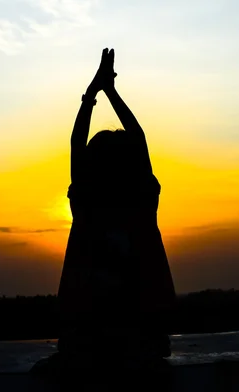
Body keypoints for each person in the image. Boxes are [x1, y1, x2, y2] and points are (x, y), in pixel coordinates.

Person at [56, 48, 176, 360]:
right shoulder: (141, 203)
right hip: (144, 340)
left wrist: (93, 93)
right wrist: (110, 91)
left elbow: (76, 145)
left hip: (86, 341)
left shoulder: (88, 206)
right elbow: (139, 138)